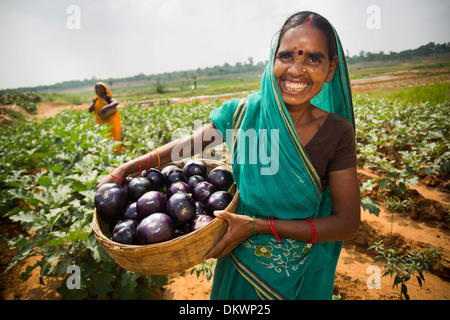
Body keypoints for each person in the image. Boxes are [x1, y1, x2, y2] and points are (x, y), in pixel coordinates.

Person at [98, 11, 360, 300]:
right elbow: (188, 147)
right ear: (273, 60)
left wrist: (257, 226)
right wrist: (129, 167)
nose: (296, 70)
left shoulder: (336, 133)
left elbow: (347, 223)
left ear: (331, 68)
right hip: (239, 262)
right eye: (286, 56)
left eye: (313, 58)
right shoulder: (243, 114)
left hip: (295, 271)